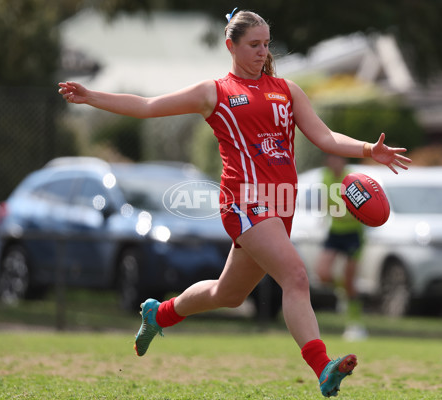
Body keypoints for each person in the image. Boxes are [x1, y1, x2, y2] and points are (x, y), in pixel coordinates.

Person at [58, 9, 411, 397]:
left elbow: (325, 137)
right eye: (253, 45)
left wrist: (366, 149)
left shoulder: (287, 90)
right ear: (231, 45)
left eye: (265, 44)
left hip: (279, 205)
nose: (262, 52)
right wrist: (91, 96)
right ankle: (322, 366)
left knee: (228, 294)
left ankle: (157, 314)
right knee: (295, 276)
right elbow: (146, 105)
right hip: (243, 201)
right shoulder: (215, 92)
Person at [315, 154, 367, 341]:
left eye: (336, 159)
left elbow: (365, 205)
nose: (332, 162)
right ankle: (341, 292)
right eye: (330, 159)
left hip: (353, 234)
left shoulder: (353, 179)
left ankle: (355, 323)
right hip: (335, 232)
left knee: (350, 280)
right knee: (322, 272)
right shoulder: (326, 178)